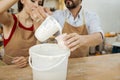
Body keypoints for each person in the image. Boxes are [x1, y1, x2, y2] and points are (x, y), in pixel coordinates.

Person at [0, 0, 50, 68]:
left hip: (29, 70)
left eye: (39, 3)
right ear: (22, 1)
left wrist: (27, 59)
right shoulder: (11, 20)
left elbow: (39, 51)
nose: (36, 5)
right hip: (8, 70)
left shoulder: (37, 23)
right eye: (33, 1)